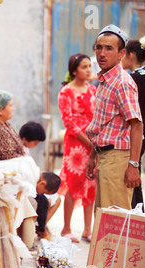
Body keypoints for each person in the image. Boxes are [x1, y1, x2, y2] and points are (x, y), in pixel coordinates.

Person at [85, 24, 143, 211]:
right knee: (103, 219)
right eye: (99, 47)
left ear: (121, 54)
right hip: (104, 156)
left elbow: (137, 125)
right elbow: (104, 125)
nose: (102, 53)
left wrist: (133, 165)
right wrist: (93, 156)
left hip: (118, 159)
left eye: (109, 48)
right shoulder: (105, 80)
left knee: (114, 222)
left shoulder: (122, 83)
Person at [57, 53, 97, 243]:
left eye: (90, 66)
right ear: (74, 71)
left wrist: (95, 141)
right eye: (84, 67)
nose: (89, 70)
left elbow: (98, 118)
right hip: (75, 145)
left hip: (93, 142)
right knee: (74, 184)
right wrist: (90, 142)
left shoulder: (93, 90)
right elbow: (69, 122)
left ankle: (87, 230)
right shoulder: (66, 92)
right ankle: (66, 228)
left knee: (91, 184)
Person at [121, 35, 145, 212]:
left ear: (131, 56)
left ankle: (135, 217)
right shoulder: (143, 74)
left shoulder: (134, 78)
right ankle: (139, 215)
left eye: (123, 54)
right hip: (140, 135)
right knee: (136, 181)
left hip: (135, 136)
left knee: (131, 181)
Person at [33, 172, 61, 240]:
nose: (42, 193)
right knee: (43, 201)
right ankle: (41, 229)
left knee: (57, 199)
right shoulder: (32, 177)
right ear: (43, 183)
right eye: (43, 192)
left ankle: (42, 226)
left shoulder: (40, 181)